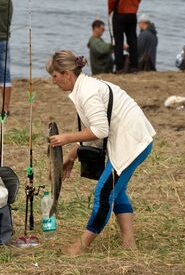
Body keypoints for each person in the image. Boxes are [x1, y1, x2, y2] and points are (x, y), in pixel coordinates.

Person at [46, 50, 156, 256]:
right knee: (116, 190)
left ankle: (82, 246)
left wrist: (66, 138)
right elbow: (95, 128)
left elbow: (100, 131)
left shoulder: (87, 93)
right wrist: (72, 154)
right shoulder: (84, 88)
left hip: (132, 143)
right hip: (130, 140)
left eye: (55, 76)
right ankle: (129, 243)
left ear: (68, 74)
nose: (53, 81)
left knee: (104, 192)